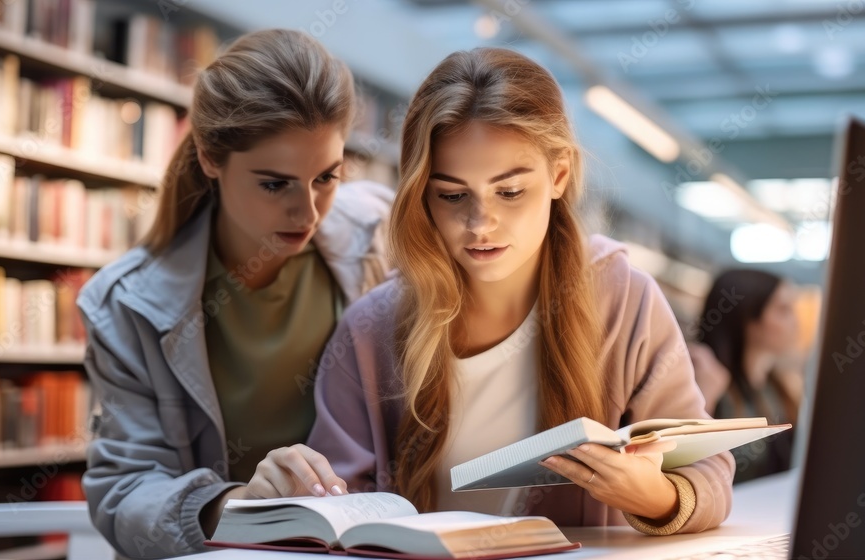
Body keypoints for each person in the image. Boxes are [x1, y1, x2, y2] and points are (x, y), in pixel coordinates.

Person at [269, 47, 734, 535]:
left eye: (509, 192)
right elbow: (336, 507)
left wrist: (655, 496)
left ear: (559, 175)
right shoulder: (370, 329)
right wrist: (301, 492)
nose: (480, 223)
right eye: (452, 194)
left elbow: (710, 473)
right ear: (420, 192)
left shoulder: (625, 300)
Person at [76, 29, 393, 558]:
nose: (309, 212)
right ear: (208, 157)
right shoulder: (123, 304)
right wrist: (233, 505)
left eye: (326, 177)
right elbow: (123, 490)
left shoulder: (380, 234)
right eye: (275, 184)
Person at [689, 269, 802, 483]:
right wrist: (704, 400)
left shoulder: (778, 387)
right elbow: (682, 467)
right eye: (783, 310)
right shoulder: (706, 382)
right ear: (748, 317)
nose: (795, 322)